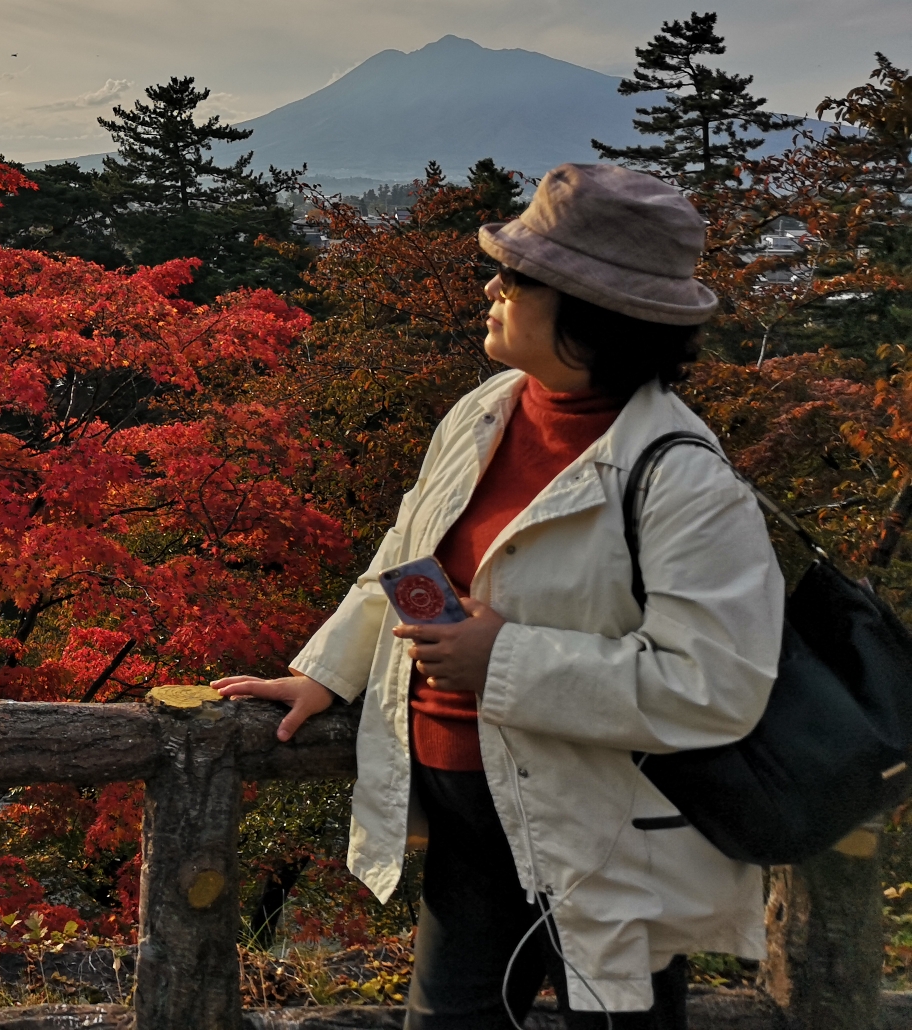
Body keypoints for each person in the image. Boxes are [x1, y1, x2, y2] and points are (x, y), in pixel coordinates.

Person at [216, 163, 784, 1029]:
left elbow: (719, 684)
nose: (491, 286)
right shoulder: (488, 409)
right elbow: (404, 557)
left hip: (606, 839)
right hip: (468, 829)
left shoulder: (681, 479)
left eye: (516, 278)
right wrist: (327, 675)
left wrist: (502, 657)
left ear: (588, 313)